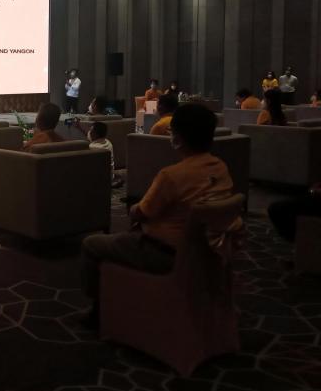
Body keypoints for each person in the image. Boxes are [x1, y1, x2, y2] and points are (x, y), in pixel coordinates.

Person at [80, 103, 241, 328]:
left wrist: (134, 208)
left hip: (166, 254)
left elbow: (140, 212)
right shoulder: (221, 168)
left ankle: (99, 313)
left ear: (177, 139)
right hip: (210, 253)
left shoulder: (172, 176)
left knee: (92, 244)